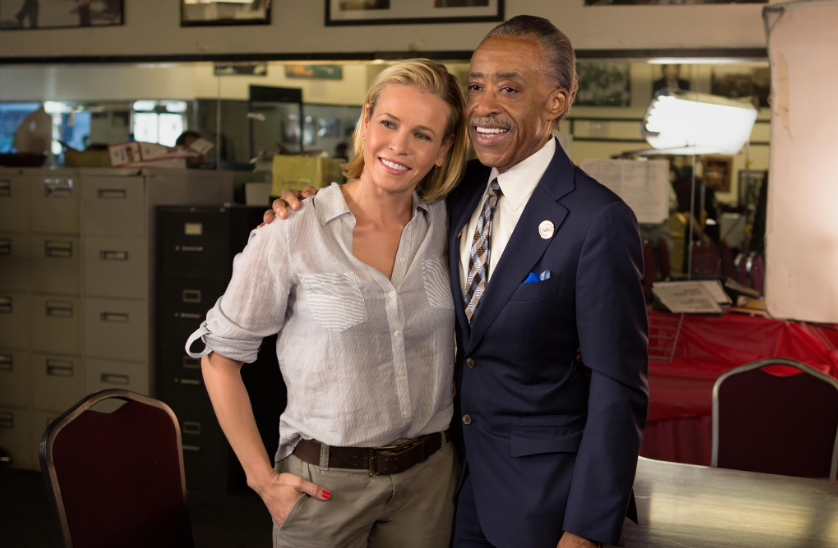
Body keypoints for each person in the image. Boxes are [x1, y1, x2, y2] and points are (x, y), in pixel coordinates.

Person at [268, 16, 649, 548]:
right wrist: (302, 208)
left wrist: (586, 529)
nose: (483, 106)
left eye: (509, 89)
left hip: (542, 497)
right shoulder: (455, 191)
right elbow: (378, 190)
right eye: (475, 86)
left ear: (556, 102)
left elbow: (618, 385)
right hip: (450, 486)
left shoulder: (597, 219)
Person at [185, 59, 469, 548]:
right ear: (366, 121)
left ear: (443, 150)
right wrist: (261, 478)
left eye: (423, 135)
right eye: (389, 123)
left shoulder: (449, 225)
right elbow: (220, 358)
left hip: (428, 483)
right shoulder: (293, 229)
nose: (399, 145)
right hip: (324, 485)